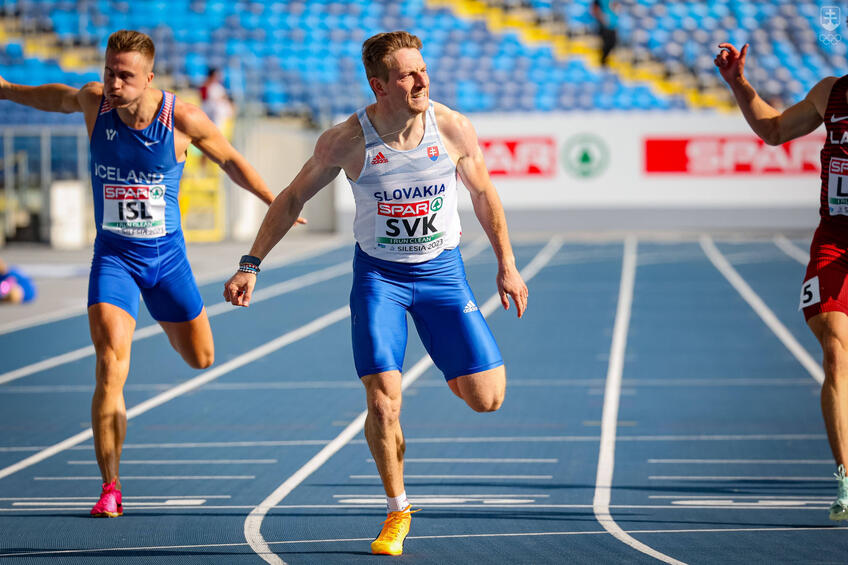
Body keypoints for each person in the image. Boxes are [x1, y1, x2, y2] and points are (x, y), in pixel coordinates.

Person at [224, 31, 528, 556]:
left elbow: (482, 192)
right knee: (384, 403)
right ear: (379, 85)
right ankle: (397, 510)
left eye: (423, 70)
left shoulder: (451, 127)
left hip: (443, 275)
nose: (422, 80)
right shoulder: (347, 140)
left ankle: (447, 357)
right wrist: (251, 263)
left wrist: (508, 265)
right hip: (380, 281)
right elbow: (293, 194)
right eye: (408, 74)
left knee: (486, 399)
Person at [0, 29, 285, 518]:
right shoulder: (96, 104)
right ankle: (110, 486)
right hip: (114, 260)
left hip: (168, 263)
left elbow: (232, 160)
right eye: (109, 70)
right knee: (111, 366)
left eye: (124, 75)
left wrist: (275, 201)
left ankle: (165, 319)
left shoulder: (183, 119)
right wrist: (5, 89)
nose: (112, 81)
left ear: (149, 78)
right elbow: (55, 98)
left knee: (201, 358)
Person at [715, 42, 848, 521]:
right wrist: (738, 83)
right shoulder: (830, 92)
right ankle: (846, 481)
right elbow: (773, 130)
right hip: (835, 242)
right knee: (835, 352)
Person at [591, 0, 619, 67]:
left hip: (612, 26)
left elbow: (615, 8)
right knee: (604, 45)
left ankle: (605, 63)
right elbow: (594, 9)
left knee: (612, 44)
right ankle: (601, 63)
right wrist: (602, 19)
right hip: (603, 27)